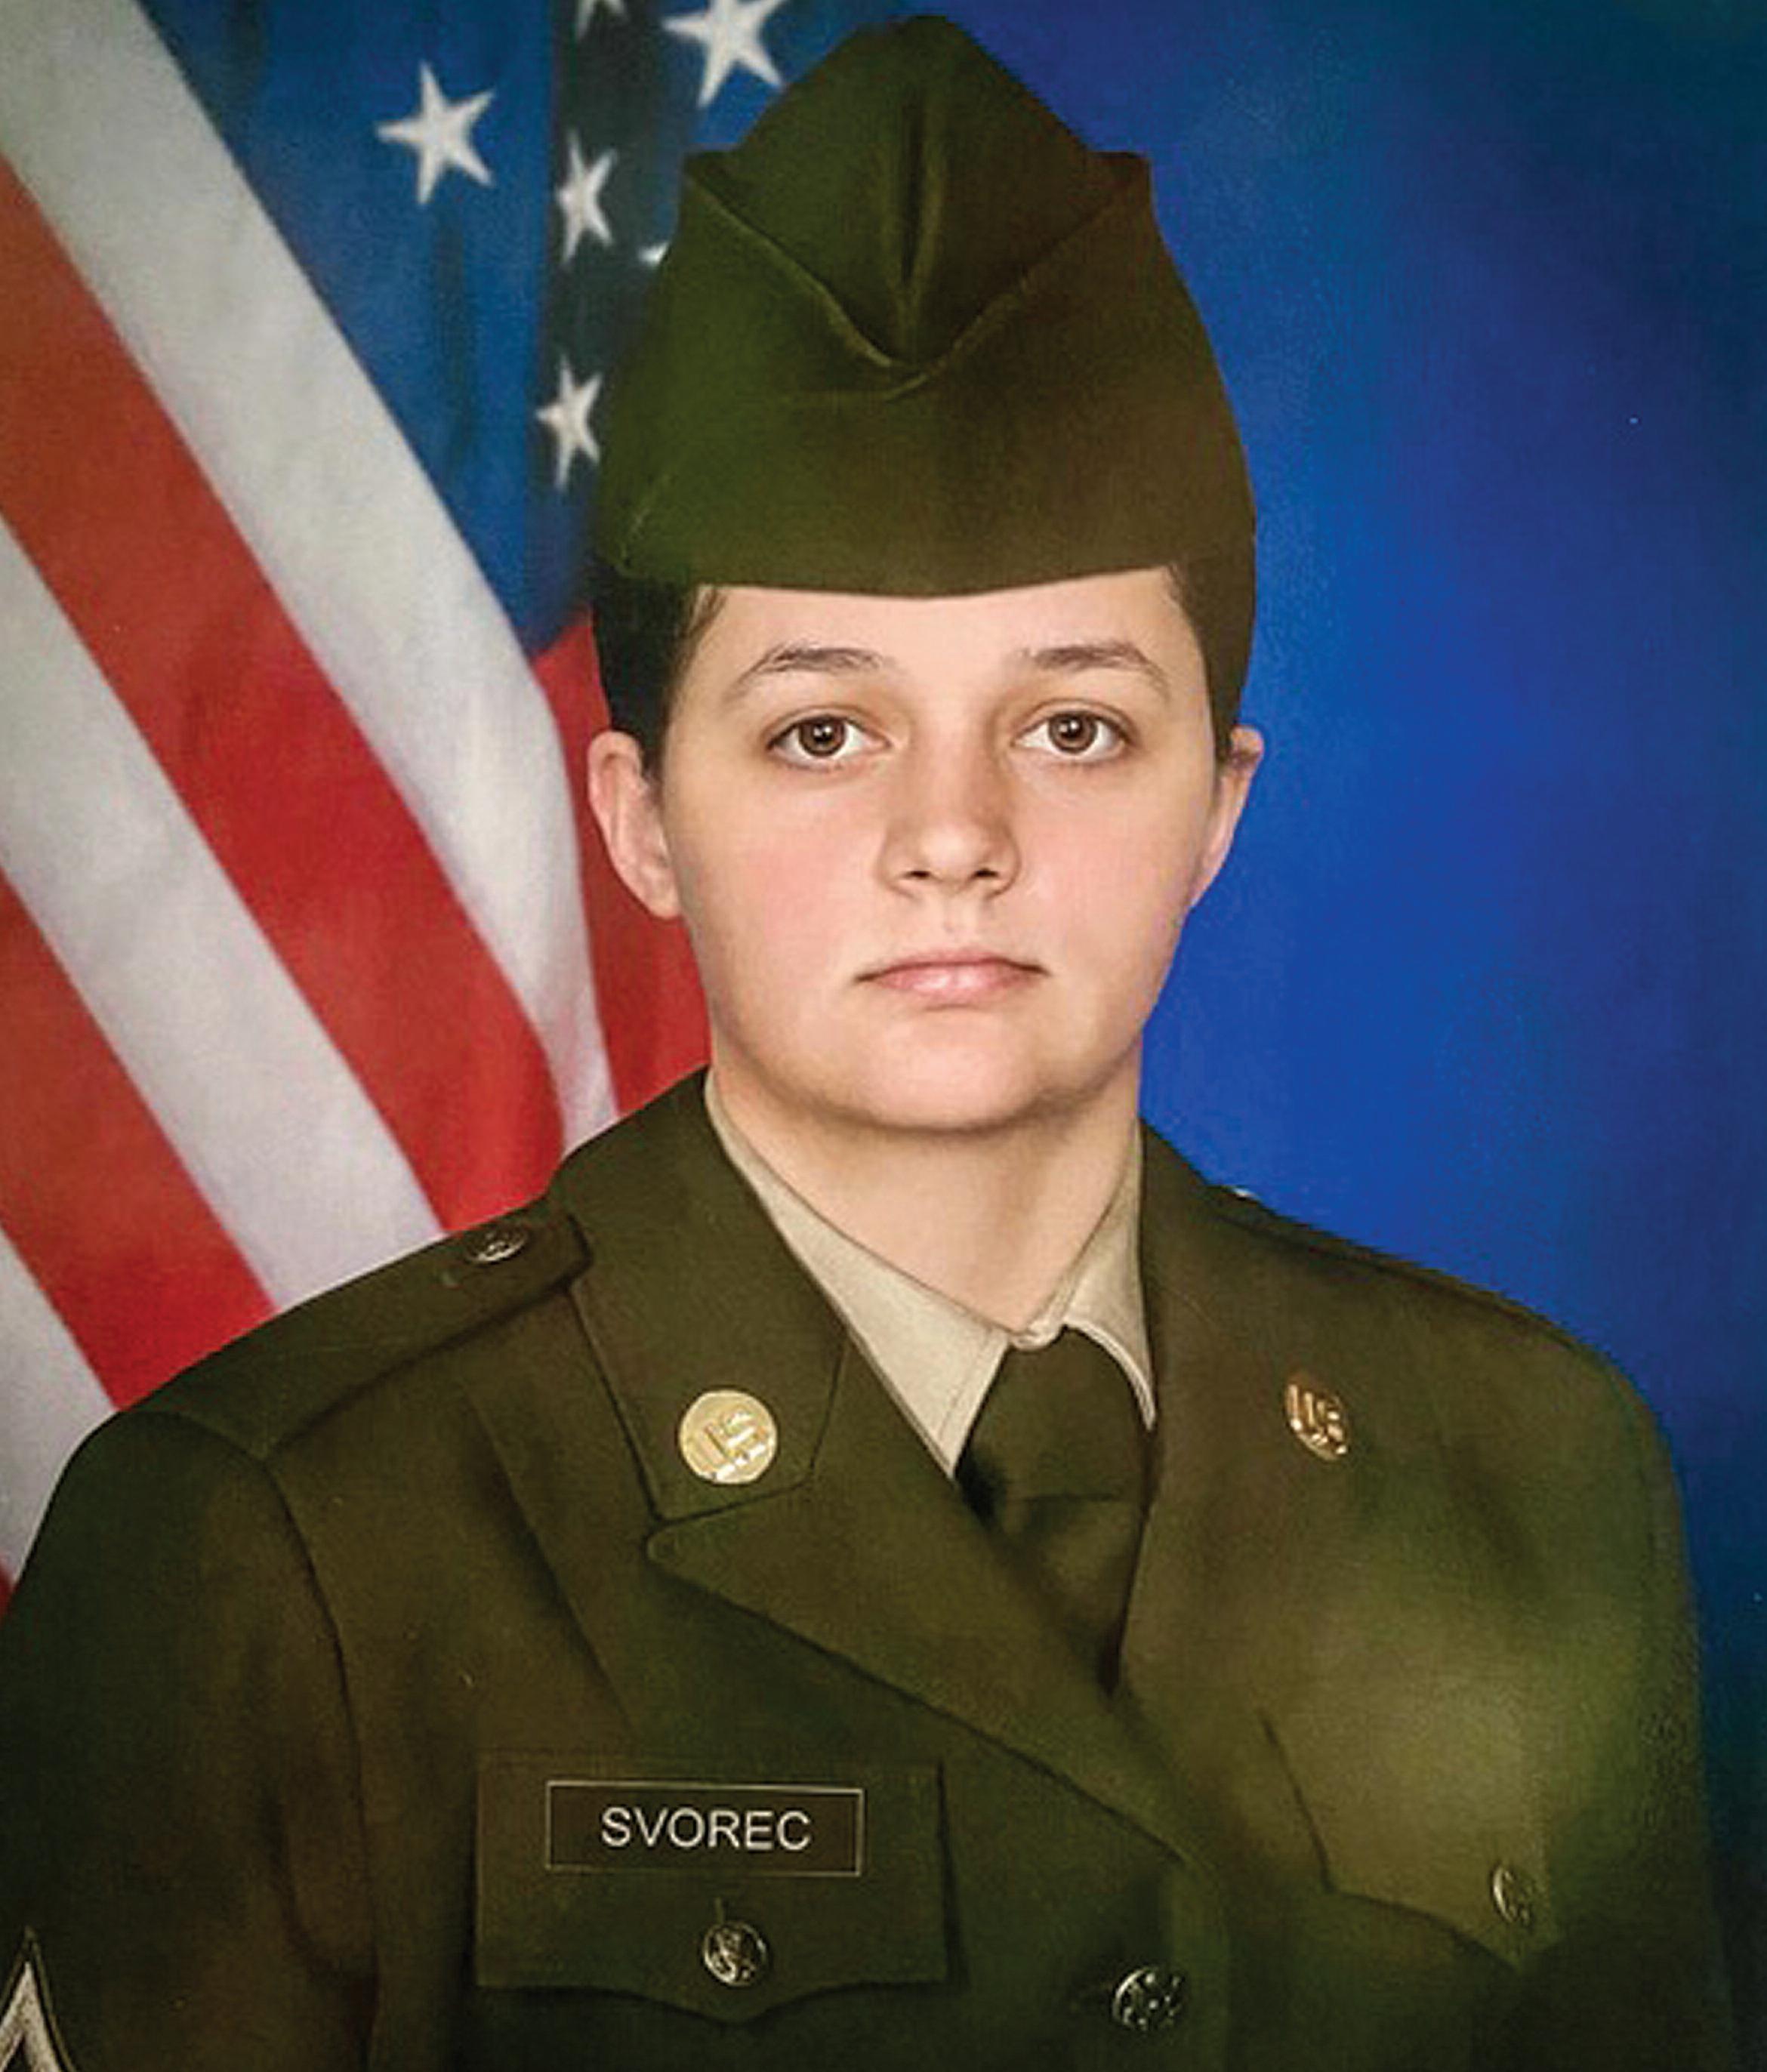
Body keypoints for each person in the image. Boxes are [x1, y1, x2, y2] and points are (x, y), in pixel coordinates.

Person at [0, 18, 1732, 2069]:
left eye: (1073, 725)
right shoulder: (275, 1545)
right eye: (823, 731)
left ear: (1220, 805)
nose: (953, 838)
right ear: (642, 821)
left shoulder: (1532, 1472)